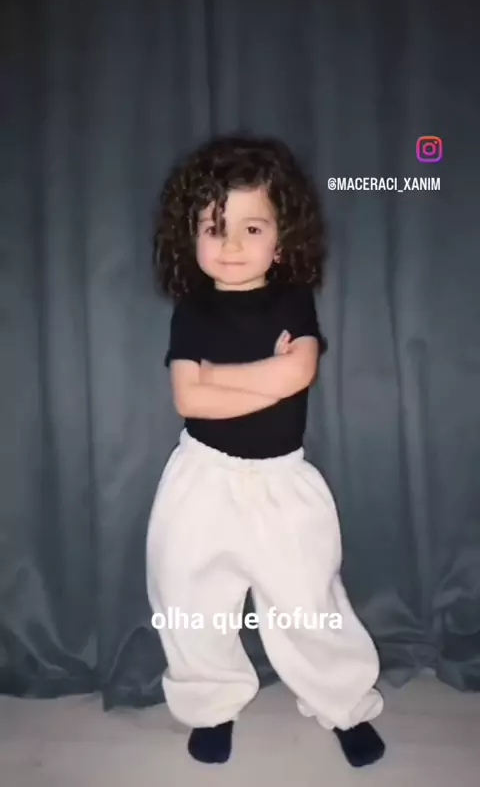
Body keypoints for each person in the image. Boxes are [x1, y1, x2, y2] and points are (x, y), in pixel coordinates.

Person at [145, 134, 385, 768]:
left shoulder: (290, 298)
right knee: (189, 599)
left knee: (309, 602)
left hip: (283, 484)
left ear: (282, 238)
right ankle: (210, 705)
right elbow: (190, 401)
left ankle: (344, 703)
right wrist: (261, 378)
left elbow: (297, 374)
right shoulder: (193, 309)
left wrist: (218, 376)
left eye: (251, 228)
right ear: (190, 236)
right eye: (214, 227)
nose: (230, 245)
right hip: (201, 479)